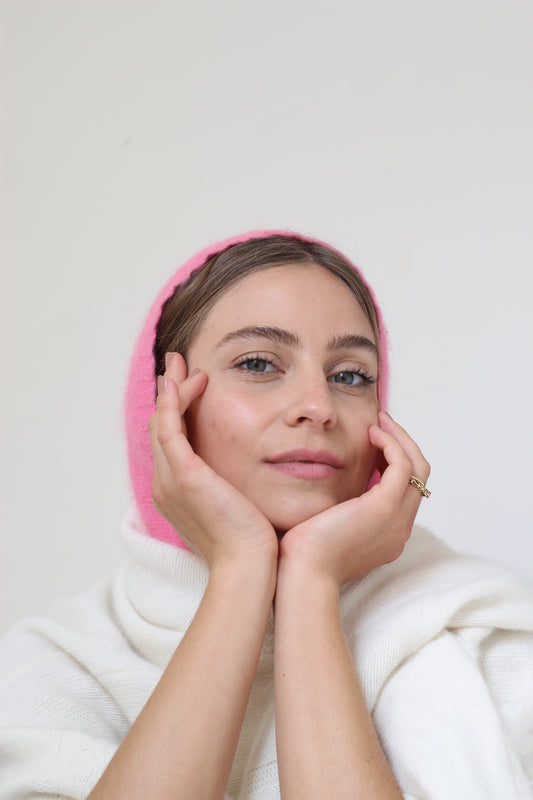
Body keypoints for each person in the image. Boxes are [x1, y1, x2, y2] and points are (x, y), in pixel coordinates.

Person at [1, 230, 533, 799]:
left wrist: (310, 582)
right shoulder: (53, 671)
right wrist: (240, 569)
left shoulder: (482, 637)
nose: (317, 407)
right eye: (258, 363)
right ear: (161, 403)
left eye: (349, 375)